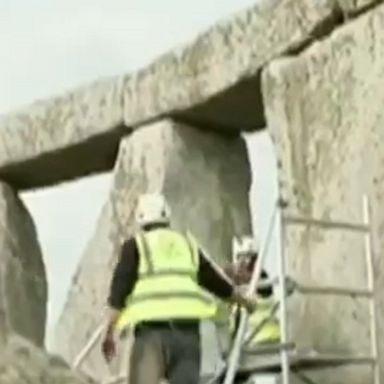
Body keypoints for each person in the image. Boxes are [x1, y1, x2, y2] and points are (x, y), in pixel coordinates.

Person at [101, 193, 257, 384]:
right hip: (188, 335)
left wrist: (108, 332)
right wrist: (245, 302)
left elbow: (118, 294)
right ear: (167, 216)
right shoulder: (187, 244)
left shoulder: (136, 246)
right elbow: (216, 283)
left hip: (152, 334)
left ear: (141, 220)